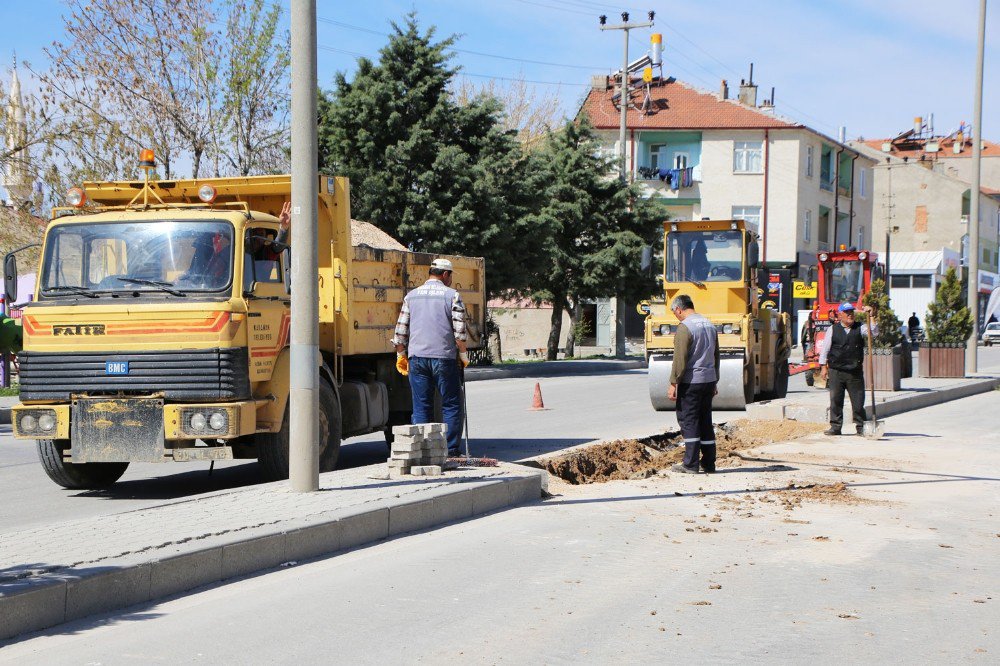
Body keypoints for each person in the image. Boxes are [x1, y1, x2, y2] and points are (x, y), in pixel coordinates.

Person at [392, 258, 468, 456]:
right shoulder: (452, 295)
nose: (451, 280)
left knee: (421, 406)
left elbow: (400, 330)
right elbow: (459, 332)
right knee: (451, 404)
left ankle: (423, 450)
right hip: (444, 357)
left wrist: (401, 354)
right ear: (445, 274)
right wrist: (463, 354)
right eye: (450, 276)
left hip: (417, 358)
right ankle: (450, 450)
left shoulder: (412, 296)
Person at [666, 294, 721, 474]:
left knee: (689, 420)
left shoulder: (685, 328)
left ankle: (690, 464)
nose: (676, 316)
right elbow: (716, 356)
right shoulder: (709, 325)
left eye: (675, 312)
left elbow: (679, 359)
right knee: (705, 420)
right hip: (708, 379)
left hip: (692, 382)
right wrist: (715, 381)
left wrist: (674, 383)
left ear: (679, 309)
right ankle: (709, 463)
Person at [819, 302, 877, 436]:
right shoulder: (832, 329)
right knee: (835, 400)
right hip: (836, 371)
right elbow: (825, 350)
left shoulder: (860, 327)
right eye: (847, 312)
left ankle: (860, 426)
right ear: (840, 315)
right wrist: (823, 367)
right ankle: (835, 427)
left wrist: (872, 316)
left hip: (854, 371)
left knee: (858, 402)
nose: (850, 314)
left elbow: (873, 333)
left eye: (851, 312)